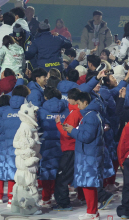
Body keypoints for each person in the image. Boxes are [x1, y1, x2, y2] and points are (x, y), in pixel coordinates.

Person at [60, 91, 105, 220]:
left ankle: (91, 213)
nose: (78, 106)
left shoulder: (90, 116)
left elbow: (87, 137)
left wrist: (72, 131)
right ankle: (93, 212)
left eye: (79, 104)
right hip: (88, 154)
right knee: (87, 184)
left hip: (89, 156)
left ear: (86, 102)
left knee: (89, 184)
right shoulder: (90, 115)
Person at [0, 84, 30, 206]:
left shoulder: (2, 112)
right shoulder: (25, 111)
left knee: (0, 170)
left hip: (2, 145)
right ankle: (12, 198)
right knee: (14, 171)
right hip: (19, 146)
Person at [37, 86, 68, 207]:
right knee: (61, 172)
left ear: (46, 97)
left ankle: (46, 198)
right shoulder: (66, 109)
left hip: (47, 144)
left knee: (47, 171)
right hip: (63, 143)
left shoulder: (41, 110)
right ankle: (59, 196)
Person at [53, 87, 82, 211]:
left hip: (70, 149)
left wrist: (58, 124)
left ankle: (64, 203)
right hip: (74, 149)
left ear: (71, 99)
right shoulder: (78, 112)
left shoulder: (74, 114)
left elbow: (66, 133)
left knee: (62, 177)